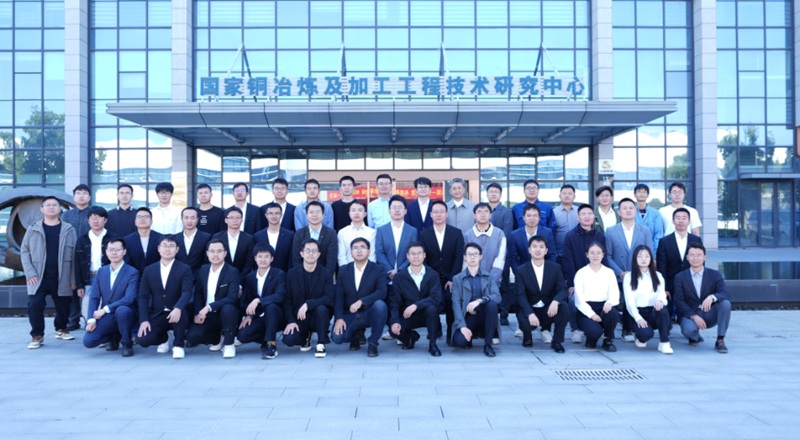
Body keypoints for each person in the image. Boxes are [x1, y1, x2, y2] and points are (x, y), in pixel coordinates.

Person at [22, 196, 78, 348]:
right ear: (42, 209)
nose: (51, 207)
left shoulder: (68, 229)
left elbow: (74, 255)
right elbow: (24, 251)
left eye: (55, 205)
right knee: (34, 304)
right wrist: (30, 272)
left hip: (62, 275)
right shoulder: (33, 229)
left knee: (64, 305)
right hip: (38, 276)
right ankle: (37, 335)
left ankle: (61, 328)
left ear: (60, 209)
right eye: (48, 205)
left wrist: (73, 278)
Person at [136, 236, 194, 359]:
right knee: (143, 340)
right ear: (158, 248)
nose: (168, 249)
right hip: (158, 312)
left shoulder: (184, 268)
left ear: (177, 249)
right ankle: (164, 338)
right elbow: (143, 296)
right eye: (164, 246)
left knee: (181, 314)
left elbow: (187, 291)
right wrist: (144, 320)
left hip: (178, 311)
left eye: (171, 246)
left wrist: (178, 308)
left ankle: (178, 344)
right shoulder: (149, 270)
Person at [604, 197, 653, 342]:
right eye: (624, 208)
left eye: (631, 208)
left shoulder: (644, 231)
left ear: (636, 211)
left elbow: (649, 253)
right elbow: (608, 256)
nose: (628, 210)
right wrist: (620, 273)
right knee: (622, 301)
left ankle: (632, 327)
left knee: (634, 301)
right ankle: (621, 329)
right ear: (619, 212)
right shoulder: (611, 231)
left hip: (639, 275)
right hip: (619, 275)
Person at [331, 237, 388, 357]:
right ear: (351, 253)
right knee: (337, 338)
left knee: (380, 305)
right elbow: (339, 297)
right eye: (355, 248)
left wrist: (362, 301)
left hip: (369, 313)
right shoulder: (343, 270)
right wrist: (339, 318)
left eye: (362, 247)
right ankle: (355, 335)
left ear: (369, 251)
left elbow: (382, 292)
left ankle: (373, 343)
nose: (359, 250)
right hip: (350, 314)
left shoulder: (378, 270)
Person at [82, 238, 139, 357]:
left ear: (124, 252)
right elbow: (94, 297)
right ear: (106, 252)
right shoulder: (101, 272)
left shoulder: (132, 272)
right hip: (108, 316)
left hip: (126, 313)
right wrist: (91, 320)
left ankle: (127, 343)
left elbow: (129, 298)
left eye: (118, 250)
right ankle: (114, 336)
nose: (114, 253)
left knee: (122, 310)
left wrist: (105, 309)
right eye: (111, 250)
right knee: (88, 341)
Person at [186, 240, 241, 359]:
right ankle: (216, 339)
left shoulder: (232, 271)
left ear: (225, 253)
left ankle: (229, 344)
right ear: (207, 253)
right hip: (208, 315)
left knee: (228, 308)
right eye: (212, 251)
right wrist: (198, 313)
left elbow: (232, 297)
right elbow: (199, 294)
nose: (215, 254)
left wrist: (209, 307)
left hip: (224, 313)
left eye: (219, 251)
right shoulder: (203, 270)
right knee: (192, 336)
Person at [419, 200, 464, 345]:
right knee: (432, 303)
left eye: (441, 212)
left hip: (451, 277)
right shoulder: (424, 234)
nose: (438, 214)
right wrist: (430, 278)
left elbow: (459, 256)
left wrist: (452, 278)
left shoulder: (456, 233)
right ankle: (436, 330)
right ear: (431, 214)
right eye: (435, 212)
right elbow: (423, 258)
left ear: (446, 214)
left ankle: (451, 332)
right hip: (431, 278)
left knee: (451, 301)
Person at [562, 203, 607, 344]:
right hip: (577, 281)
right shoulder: (570, 236)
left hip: (597, 280)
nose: (587, 217)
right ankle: (576, 330)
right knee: (572, 300)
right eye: (583, 214)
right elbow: (568, 262)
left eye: (590, 214)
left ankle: (601, 328)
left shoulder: (600, 236)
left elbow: (604, 260)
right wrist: (571, 284)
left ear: (594, 217)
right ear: (578, 217)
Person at [673, 243, 731, 353]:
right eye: (692, 255)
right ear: (687, 257)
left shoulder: (715, 274)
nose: (695, 258)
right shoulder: (680, 277)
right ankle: (695, 337)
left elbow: (725, 293)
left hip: (710, 313)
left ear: (704, 257)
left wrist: (713, 297)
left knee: (725, 303)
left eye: (699, 255)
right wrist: (694, 316)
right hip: (691, 313)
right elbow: (679, 301)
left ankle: (720, 339)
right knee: (688, 330)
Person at [514, 236, 569, 353]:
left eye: (541, 247)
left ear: (546, 250)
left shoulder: (555, 268)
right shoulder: (521, 270)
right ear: (529, 250)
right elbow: (520, 295)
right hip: (530, 308)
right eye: (534, 246)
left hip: (548, 308)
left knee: (564, 308)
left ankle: (557, 341)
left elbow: (563, 289)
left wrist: (556, 301)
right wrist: (530, 313)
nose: (538, 250)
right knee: (525, 323)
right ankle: (527, 336)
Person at [283, 239, 335, 358]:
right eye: (307, 250)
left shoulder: (326, 273)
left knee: (322, 308)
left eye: (314, 251)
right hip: (300, 317)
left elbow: (329, 298)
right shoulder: (291, 274)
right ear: (301, 253)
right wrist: (291, 321)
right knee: (289, 340)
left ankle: (321, 342)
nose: (311, 253)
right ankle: (306, 336)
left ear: (319, 254)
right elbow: (287, 300)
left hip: (319, 317)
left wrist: (308, 304)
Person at [389, 242, 443, 356]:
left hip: (427, 314)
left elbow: (436, 297)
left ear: (424, 255)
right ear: (408, 256)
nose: (416, 256)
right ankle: (410, 337)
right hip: (408, 315)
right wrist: (394, 321)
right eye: (413, 254)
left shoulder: (432, 274)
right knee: (393, 330)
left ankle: (433, 344)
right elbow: (394, 301)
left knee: (432, 309)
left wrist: (416, 305)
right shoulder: (399, 277)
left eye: (419, 253)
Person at [451, 243, 501, 357]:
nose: (472, 257)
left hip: (485, 317)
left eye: (475, 254)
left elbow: (497, 296)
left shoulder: (489, 277)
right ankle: (470, 335)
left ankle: (488, 344)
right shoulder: (457, 279)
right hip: (468, 318)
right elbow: (456, 305)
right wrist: (462, 327)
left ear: (480, 257)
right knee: (460, 342)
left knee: (492, 305)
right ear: (465, 257)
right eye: (469, 254)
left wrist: (480, 301)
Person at [237, 243, 287, 359]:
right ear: (255, 258)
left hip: (277, 316)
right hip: (259, 316)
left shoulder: (279, 274)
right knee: (242, 335)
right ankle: (266, 339)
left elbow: (279, 296)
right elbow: (246, 300)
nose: (263, 260)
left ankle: (271, 345)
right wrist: (248, 316)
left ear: (272, 258)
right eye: (260, 256)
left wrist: (258, 300)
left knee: (271, 306)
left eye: (266, 256)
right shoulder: (250, 277)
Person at [623, 245, 672, 354]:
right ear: (635, 258)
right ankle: (640, 337)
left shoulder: (658, 275)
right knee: (645, 334)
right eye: (640, 256)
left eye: (647, 256)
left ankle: (664, 343)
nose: (643, 259)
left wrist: (660, 301)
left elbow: (662, 294)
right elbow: (629, 302)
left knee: (663, 310)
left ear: (651, 258)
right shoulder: (628, 277)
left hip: (653, 311)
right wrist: (638, 318)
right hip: (636, 313)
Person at [74, 206, 117, 329]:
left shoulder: (113, 238)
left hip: (108, 275)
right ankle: (91, 327)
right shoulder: (82, 239)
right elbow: (77, 263)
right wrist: (79, 285)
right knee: (88, 305)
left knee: (106, 303)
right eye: (92, 218)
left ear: (105, 220)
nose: (95, 221)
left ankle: (104, 329)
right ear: (88, 221)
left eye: (99, 218)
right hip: (89, 276)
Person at [573, 242, 620, 352]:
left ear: (603, 255)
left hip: (604, 307)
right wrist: (592, 314)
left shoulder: (609, 272)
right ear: (587, 254)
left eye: (598, 253)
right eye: (592, 253)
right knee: (594, 332)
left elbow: (614, 293)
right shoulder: (581, 273)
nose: (595, 256)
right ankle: (591, 338)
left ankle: (608, 339)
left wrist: (609, 303)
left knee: (613, 313)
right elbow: (579, 300)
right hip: (587, 309)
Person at [656, 208, 703, 320]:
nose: (681, 221)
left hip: (690, 281)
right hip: (671, 282)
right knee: (668, 314)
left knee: (688, 314)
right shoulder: (664, 241)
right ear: (673, 221)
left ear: (689, 221)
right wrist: (664, 288)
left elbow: (701, 263)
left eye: (684, 218)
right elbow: (661, 266)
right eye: (678, 218)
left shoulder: (696, 240)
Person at [62, 184, 91, 331]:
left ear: (89, 197)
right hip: (71, 255)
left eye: (84, 193)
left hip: (89, 255)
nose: (81, 196)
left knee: (89, 288)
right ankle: (73, 320)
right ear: (73, 197)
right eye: (78, 193)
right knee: (72, 288)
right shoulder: (66, 215)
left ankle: (89, 319)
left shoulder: (94, 213)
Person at [375, 195, 419, 282]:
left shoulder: (412, 231)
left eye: (400, 207)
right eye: (394, 207)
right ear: (389, 210)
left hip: (406, 276)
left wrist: (399, 270)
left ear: (405, 211)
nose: (397, 210)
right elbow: (379, 253)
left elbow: (413, 253)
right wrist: (389, 271)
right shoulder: (381, 230)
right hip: (386, 277)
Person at [463, 203, 506, 288]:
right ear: (474, 215)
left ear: (490, 215)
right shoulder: (468, 235)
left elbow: (500, 259)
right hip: (472, 282)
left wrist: (491, 280)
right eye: (479, 212)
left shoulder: (499, 234)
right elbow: (465, 261)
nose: (483, 214)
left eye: (486, 212)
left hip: (493, 283)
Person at [291, 201, 338, 275]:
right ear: (306, 215)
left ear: (323, 215)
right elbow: (296, 259)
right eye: (311, 212)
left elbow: (331, 260)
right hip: (303, 276)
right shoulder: (299, 233)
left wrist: (326, 276)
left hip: (324, 276)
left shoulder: (331, 234)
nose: (314, 215)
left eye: (318, 212)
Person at [508, 204, 557, 269]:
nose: (532, 219)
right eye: (528, 215)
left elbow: (552, 255)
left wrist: (546, 272)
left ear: (539, 218)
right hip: (522, 272)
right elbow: (513, 259)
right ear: (523, 218)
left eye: (535, 216)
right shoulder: (515, 235)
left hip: (544, 270)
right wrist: (519, 273)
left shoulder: (547, 233)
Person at [212, 206, 256, 277]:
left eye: (238, 217)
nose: (235, 220)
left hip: (242, 279)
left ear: (242, 220)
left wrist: (240, 280)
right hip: (220, 278)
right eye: (231, 217)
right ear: (225, 220)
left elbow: (249, 263)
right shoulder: (217, 237)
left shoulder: (249, 239)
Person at [254, 202, 295, 272]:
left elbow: (291, 259)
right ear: (266, 215)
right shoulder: (258, 236)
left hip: (284, 274)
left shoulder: (290, 235)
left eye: (277, 213)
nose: (274, 216)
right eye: (270, 213)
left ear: (281, 215)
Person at [123, 207, 163, 275]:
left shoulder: (161, 238)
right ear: (135, 221)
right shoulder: (127, 240)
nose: (142, 219)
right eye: (139, 217)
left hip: (156, 276)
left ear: (151, 221)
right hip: (134, 277)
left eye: (146, 217)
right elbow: (127, 263)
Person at [173, 207, 212, 275]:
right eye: (186, 218)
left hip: (199, 277)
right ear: (182, 219)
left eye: (193, 218)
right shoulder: (175, 238)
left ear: (197, 219)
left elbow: (207, 260)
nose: (189, 221)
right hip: (178, 276)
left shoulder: (206, 237)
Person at [337, 201, 376, 266]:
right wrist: (346, 270)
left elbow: (372, 256)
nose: (356, 213)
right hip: (348, 269)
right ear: (349, 214)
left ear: (365, 214)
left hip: (368, 270)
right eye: (353, 210)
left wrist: (370, 270)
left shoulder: (372, 232)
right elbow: (341, 256)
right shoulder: (342, 232)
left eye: (360, 210)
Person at [633, 183, 665, 253]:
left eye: (644, 192)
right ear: (634, 195)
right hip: (633, 251)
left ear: (648, 195)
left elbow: (658, 235)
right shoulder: (630, 212)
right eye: (639, 192)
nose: (641, 194)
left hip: (650, 251)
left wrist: (654, 253)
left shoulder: (655, 213)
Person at [553, 184, 579, 263]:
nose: (567, 196)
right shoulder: (554, 212)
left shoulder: (580, 212)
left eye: (570, 194)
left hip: (578, 253)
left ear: (574, 196)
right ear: (560, 196)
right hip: (559, 254)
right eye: (564, 193)